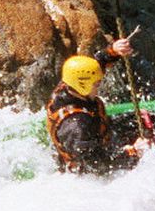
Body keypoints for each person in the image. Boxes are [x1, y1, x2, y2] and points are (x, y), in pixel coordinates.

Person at [44, 36, 138, 173]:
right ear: (83, 85)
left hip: (98, 134)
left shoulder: (71, 83)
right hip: (88, 168)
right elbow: (98, 164)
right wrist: (133, 152)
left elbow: (96, 64)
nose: (99, 87)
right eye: (96, 84)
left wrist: (113, 51)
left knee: (145, 118)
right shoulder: (76, 126)